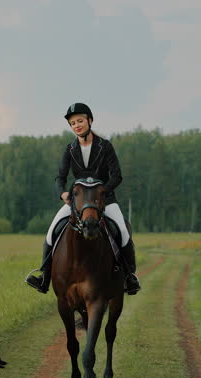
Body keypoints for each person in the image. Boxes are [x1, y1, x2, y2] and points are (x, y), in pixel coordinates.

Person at [25, 102, 141, 295]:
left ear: (90, 121)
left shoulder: (105, 146)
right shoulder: (70, 149)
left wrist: (103, 191)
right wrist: (62, 192)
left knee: (122, 231)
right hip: (77, 202)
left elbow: (116, 176)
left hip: (105, 200)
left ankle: (130, 277)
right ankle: (44, 276)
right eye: (72, 123)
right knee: (51, 231)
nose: (76, 125)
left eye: (80, 121)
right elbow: (60, 177)